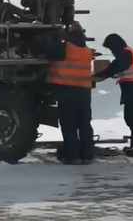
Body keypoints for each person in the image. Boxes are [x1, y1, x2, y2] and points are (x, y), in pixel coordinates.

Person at [37, 22, 95, 164]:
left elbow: (47, 49)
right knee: (85, 125)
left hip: (67, 91)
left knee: (69, 125)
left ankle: (72, 156)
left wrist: (41, 35)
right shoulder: (86, 51)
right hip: (84, 91)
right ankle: (87, 156)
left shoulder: (65, 49)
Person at [93, 33, 133, 157]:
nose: (111, 51)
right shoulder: (127, 52)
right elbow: (120, 67)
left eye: (110, 48)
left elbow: (115, 67)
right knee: (132, 120)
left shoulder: (126, 53)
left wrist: (99, 76)